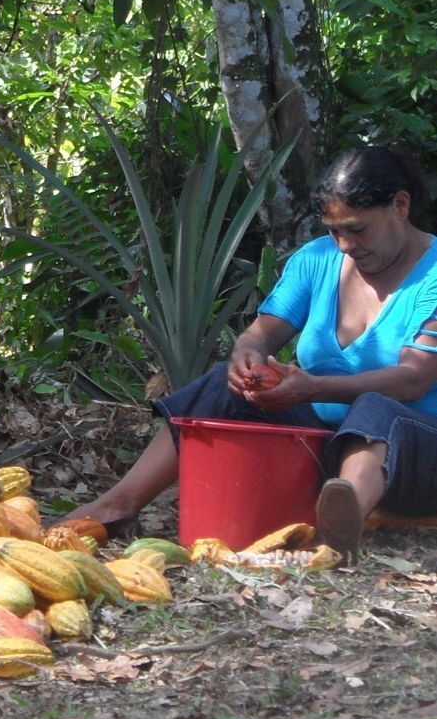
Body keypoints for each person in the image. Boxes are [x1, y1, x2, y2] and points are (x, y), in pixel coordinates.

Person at [68, 145, 437, 557]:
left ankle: (339, 528)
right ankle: (117, 505)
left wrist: (311, 388)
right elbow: (259, 335)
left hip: (416, 460)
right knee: (221, 386)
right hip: (322, 448)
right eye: (335, 231)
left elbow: (413, 378)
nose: (345, 244)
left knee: (377, 405)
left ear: (401, 205)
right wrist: (248, 358)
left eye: (357, 229)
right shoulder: (316, 260)